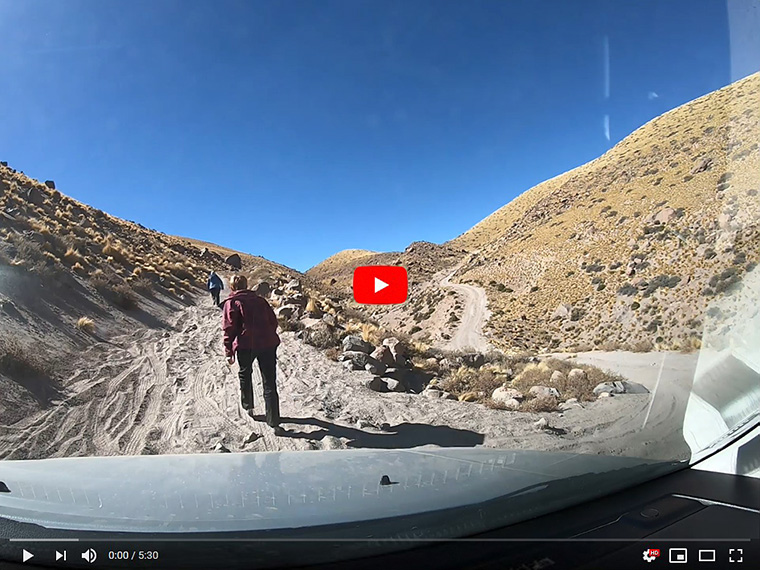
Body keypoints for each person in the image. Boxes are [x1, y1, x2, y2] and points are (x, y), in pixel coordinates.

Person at [222, 274, 282, 431]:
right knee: (269, 381)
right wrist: (267, 333)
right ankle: (274, 420)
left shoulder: (232, 302)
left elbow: (229, 328)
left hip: (245, 345)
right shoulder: (261, 301)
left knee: (245, 373)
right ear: (246, 285)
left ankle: (248, 406)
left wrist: (229, 350)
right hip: (267, 343)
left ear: (232, 287)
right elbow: (273, 321)